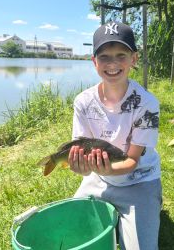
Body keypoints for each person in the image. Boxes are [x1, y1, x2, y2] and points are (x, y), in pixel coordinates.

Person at [68, 21, 162, 250]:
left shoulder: (147, 104)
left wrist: (105, 168)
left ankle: (151, 203)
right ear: (94, 62)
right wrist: (82, 167)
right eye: (104, 57)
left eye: (121, 55)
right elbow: (80, 147)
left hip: (139, 180)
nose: (112, 64)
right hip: (98, 179)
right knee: (71, 232)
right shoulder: (83, 101)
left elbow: (131, 161)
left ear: (134, 59)